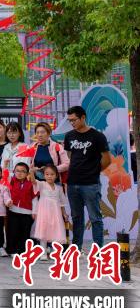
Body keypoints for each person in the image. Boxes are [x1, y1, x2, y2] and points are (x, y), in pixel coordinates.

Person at [63, 105, 112, 248]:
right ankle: (76, 247)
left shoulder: (97, 136)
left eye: (74, 120)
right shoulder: (69, 136)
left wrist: (94, 170)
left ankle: (97, 248)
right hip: (72, 182)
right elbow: (70, 155)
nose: (72, 123)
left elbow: (107, 159)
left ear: (83, 117)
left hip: (91, 183)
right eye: (70, 121)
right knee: (76, 217)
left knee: (95, 217)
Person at [32, 164, 68, 260]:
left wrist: (64, 213)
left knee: (55, 230)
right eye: (47, 174)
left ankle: (53, 251)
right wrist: (32, 171)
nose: (49, 176)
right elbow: (33, 181)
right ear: (44, 175)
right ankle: (43, 252)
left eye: (52, 174)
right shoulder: (42, 184)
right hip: (44, 212)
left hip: (55, 213)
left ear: (56, 175)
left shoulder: (59, 188)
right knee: (43, 230)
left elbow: (61, 203)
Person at [6, 162, 37, 255]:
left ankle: (23, 251)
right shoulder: (11, 181)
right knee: (12, 231)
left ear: (27, 173)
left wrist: (34, 211)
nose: (19, 173)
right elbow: (6, 192)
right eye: (17, 171)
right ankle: (12, 250)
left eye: (23, 171)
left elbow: (34, 199)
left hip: (27, 212)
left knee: (24, 233)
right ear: (14, 171)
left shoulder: (31, 184)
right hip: (13, 211)